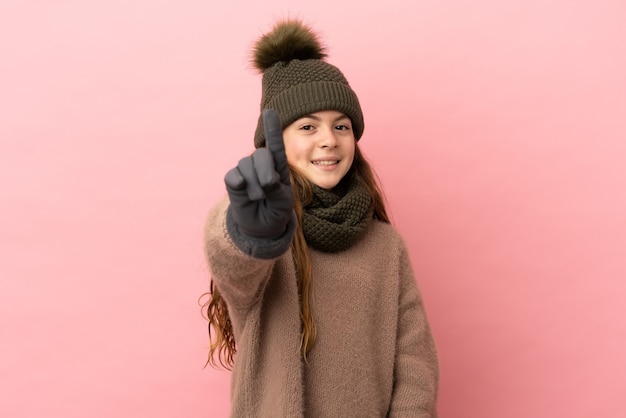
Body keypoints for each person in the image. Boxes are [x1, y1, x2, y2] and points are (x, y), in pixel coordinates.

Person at [202, 19, 439, 417]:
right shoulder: (268, 240)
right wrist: (250, 231)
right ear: (274, 143)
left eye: (341, 126)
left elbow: (415, 366)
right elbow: (229, 261)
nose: (329, 139)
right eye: (308, 126)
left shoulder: (385, 247)